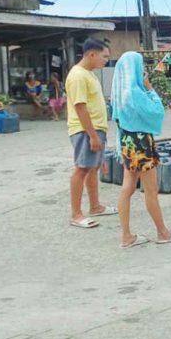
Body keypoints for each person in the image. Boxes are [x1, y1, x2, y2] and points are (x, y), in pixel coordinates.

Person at [112, 51, 171, 248]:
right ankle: (163, 232)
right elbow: (157, 110)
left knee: (127, 187)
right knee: (151, 189)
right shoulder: (136, 92)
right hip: (141, 142)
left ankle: (126, 236)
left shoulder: (120, 94)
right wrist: (150, 89)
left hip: (127, 141)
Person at [65, 38, 116, 229]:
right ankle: (76, 214)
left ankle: (95, 206)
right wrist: (93, 136)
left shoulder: (90, 74)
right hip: (84, 130)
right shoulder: (78, 75)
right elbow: (80, 107)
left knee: (92, 167)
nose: (106, 61)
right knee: (82, 168)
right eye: (104, 56)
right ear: (92, 54)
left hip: (95, 129)